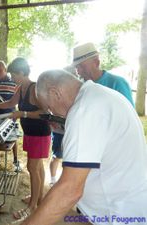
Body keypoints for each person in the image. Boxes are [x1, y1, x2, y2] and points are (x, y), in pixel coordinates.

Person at [21, 69, 147, 225]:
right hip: (123, 206)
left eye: (49, 107)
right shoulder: (100, 95)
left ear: (56, 93)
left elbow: (69, 191)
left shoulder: (83, 110)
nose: (52, 112)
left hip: (115, 214)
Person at [0, 57, 51, 220]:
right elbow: (9, 103)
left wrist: (23, 114)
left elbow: (45, 113)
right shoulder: (21, 88)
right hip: (30, 133)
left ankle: (32, 206)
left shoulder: (35, 88)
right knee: (37, 167)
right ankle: (38, 197)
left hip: (40, 133)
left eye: (13, 74)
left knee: (32, 168)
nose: (11, 78)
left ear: (22, 72)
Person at [0, 61, 21, 171]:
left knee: (13, 136)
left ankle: (16, 161)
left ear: (6, 70)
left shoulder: (13, 81)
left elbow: (16, 99)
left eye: (0, 70)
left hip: (9, 113)